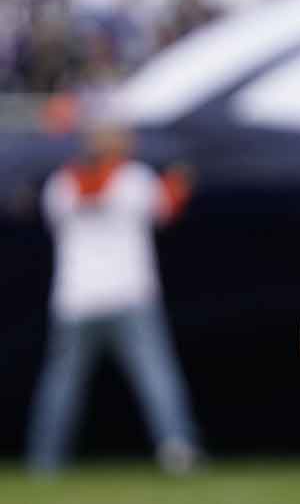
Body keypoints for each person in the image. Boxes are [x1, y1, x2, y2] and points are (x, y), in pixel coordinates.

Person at [29, 123, 201, 475]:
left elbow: (60, 218)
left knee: (62, 384)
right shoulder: (135, 179)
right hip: (128, 294)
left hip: (75, 298)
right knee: (155, 376)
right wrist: (179, 182)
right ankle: (177, 451)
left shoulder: (60, 184)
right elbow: (166, 209)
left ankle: (45, 461)